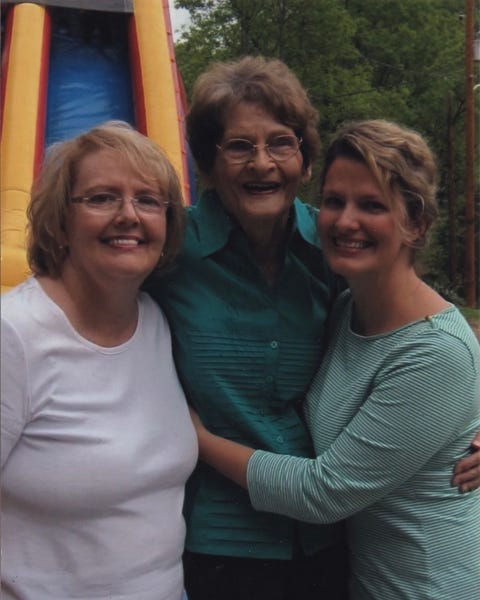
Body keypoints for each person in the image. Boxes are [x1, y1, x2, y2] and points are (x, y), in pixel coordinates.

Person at [147, 56, 480, 600]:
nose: (262, 164)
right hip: (223, 544)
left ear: (302, 158)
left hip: (338, 548)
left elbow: (436, 352)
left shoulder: (334, 256)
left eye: (281, 142)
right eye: (238, 146)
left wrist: (468, 419)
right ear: (209, 159)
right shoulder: (169, 253)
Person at [1, 121, 198, 600]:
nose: (128, 215)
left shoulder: (155, 321)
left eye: (148, 200)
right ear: (61, 220)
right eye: (101, 197)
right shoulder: (14, 336)